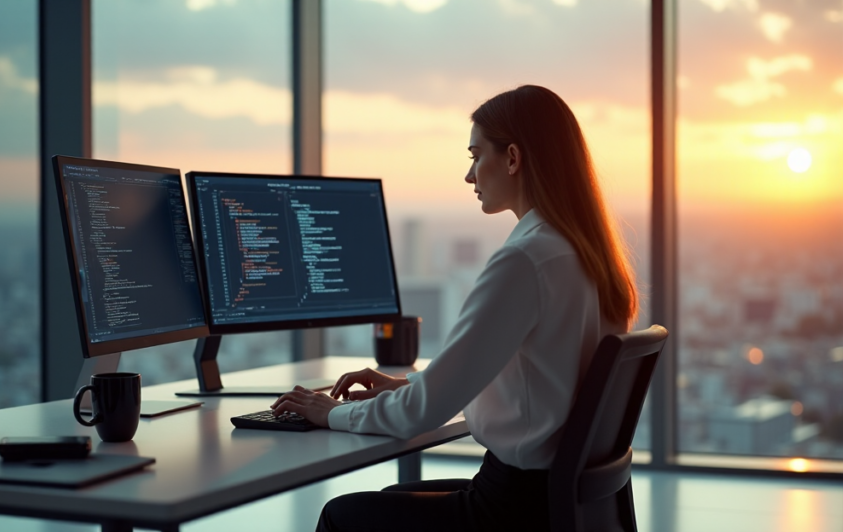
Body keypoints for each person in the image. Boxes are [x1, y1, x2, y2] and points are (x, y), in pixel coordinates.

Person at [271, 85, 639, 532]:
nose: (469, 176)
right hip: (559, 503)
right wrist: (406, 385)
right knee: (389, 500)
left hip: (510, 512)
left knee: (343, 517)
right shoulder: (586, 253)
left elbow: (419, 415)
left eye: (475, 155)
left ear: (512, 158)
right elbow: (529, 383)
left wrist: (329, 411)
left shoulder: (525, 260)